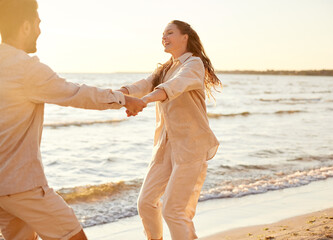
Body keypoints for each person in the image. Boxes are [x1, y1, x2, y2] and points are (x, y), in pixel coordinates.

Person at [0, 0, 146, 239]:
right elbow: (76, 93)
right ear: (25, 27)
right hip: (23, 185)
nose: (39, 30)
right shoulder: (26, 68)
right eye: (37, 24)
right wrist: (123, 99)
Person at [120, 20, 222, 240]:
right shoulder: (165, 68)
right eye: (162, 34)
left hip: (191, 145)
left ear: (185, 37)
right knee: (146, 203)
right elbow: (142, 85)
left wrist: (144, 101)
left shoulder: (194, 64)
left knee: (174, 211)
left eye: (169, 33)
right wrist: (118, 94)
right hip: (165, 147)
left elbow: (173, 87)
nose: (164, 37)